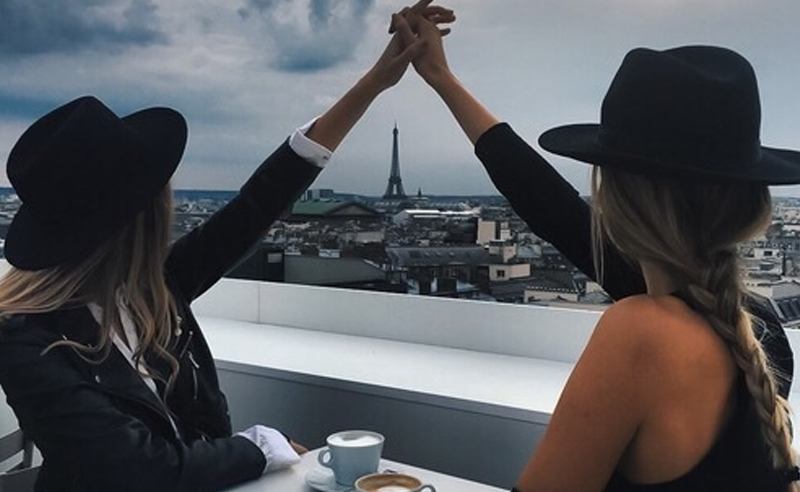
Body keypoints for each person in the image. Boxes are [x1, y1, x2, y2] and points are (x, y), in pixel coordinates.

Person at [0, 6, 454, 491]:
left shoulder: (146, 289)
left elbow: (259, 203)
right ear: (142, 219)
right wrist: (261, 446)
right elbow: (138, 469)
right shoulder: (22, 339)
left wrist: (375, 81)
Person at [393, 10, 800, 492]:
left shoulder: (642, 334)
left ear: (620, 196)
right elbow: (555, 211)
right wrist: (442, 78)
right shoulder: (758, 327)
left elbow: (556, 210)